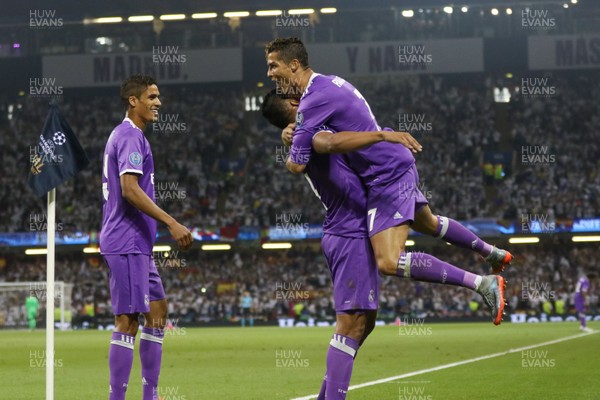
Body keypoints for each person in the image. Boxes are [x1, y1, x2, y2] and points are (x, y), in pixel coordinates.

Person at [262, 90, 504, 400]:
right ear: (296, 105)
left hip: (363, 216)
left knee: (363, 325)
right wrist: (382, 136)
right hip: (349, 231)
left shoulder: (306, 131)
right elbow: (328, 143)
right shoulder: (310, 134)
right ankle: (481, 281)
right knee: (352, 325)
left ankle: (487, 260)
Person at [265, 37, 509, 325]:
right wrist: (292, 131)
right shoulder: (329, 84)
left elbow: (298, 163)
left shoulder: (311, 101)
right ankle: (491, 252)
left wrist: (293, 139)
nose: (269, 73)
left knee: (388, 261)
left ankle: (482, 284)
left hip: (384, 176)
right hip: (393, 164)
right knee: (428, 223)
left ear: (294, 65)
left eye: (273, 66)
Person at [100, 74, 193, 400]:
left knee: (158, 312)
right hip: (125, 241)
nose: (158, 103)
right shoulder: (129, 136)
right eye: (151, 97)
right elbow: (129, 189)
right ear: (133, 101)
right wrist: (172, 222)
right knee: (127, 321)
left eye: (158, 97)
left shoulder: (132, 135)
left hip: (138, 243)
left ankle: (150, 395)